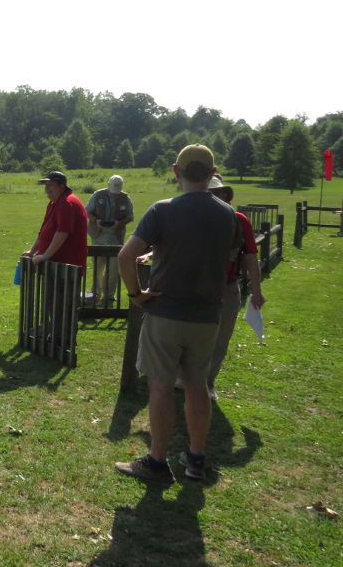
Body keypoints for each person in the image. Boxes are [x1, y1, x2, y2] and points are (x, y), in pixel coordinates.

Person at [115, 145, 240, 484]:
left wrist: (136, 295)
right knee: (197, 386)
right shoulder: (228, 215)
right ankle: (196, 458)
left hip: (166, 312)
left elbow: (126, 256)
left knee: (160, 388)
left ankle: (157, 462)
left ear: (176, 170)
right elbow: (227, 256)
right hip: (207, 316)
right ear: (213, 172)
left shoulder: (162, 210)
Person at [205, 175, 266, 400]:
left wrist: (257, 291)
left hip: (228, 286)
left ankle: (208, 382)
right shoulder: (193, 217)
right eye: (210, 193)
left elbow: (251, 258)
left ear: (224, 195)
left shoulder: (240, 220)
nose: (215, 197)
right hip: (196, 285)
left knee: (221, 338)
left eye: (218, 193)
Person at [23, 170, 88, 272]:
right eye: (45, 185)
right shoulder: (54, 203)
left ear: (61, 186)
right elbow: (44, 231)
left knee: (64, 289)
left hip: (67, 267)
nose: (46, 189)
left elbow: (62, 232)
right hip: (55, 265)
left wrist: (46, 255)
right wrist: (32, 251)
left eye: (51, 185)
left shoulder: (67, 202)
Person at [86, 175, 134, 305]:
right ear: (108, 184)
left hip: (116, 236)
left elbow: (130, 217)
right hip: (98, 235)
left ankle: (109, 296)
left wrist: (119, 223)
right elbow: (87, 212)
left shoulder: (126, 198)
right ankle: (96, 294)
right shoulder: (97, 195)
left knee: (113, 268)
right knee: (98, 266)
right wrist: (96, 220)